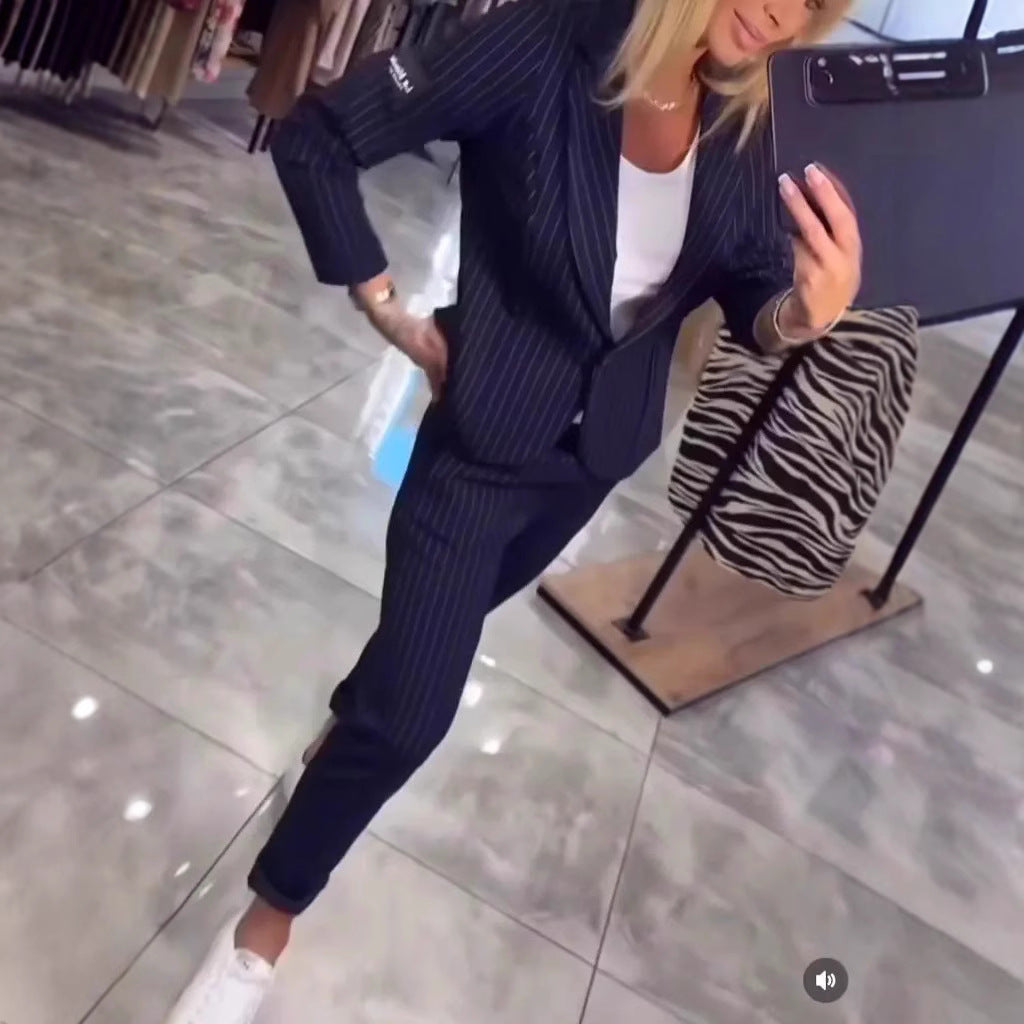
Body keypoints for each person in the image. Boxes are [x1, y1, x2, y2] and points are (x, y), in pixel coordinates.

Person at [167, 0, 858, 1019]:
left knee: (419, 654)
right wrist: (385, 304)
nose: (782, 15)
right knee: (411, 717)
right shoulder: (545, 40)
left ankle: (347, 725)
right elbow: (321, 137)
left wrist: (801, 313)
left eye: (814, 2)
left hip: (590, 459)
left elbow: (749, 272)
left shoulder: (737, 102)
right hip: (480, 443)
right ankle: (262, 928)